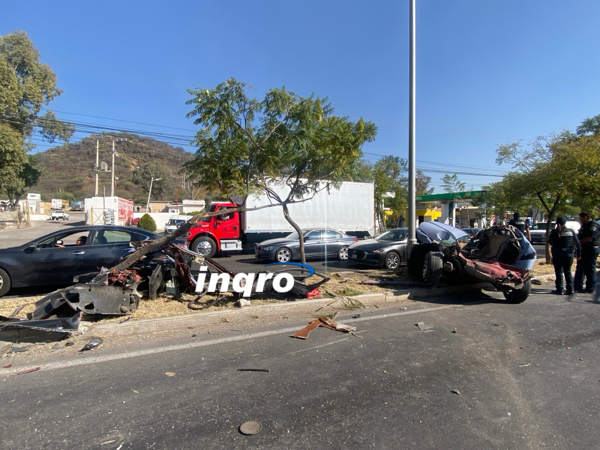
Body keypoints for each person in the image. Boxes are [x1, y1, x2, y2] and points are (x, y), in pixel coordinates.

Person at [548, 217, 581, 295]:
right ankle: (570, 289)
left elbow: (550, 241)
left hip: (558, 254)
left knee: (559, 272)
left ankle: (560, 289)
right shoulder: (571, 231)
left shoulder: (554, 232)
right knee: (568, 271)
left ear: (556, 223)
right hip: (569, 254)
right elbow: (578, 243)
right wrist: (578, 254)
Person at [574, 212, 600, 294]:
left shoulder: (593, 226)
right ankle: (577, 286)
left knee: (590, 269)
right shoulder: (584, 226)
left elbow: (589, 238)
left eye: (580, 218)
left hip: (591, 250)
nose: (580, 220)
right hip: (583, 250)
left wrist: (578, 242)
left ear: (585, 217)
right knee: (580, 268)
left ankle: (590, 287)